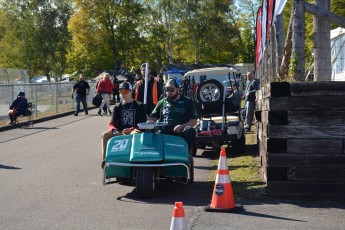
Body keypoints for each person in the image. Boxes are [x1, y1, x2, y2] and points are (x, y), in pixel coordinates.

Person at [100, 82, 147, 168]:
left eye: (126, 92)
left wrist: (131, 129)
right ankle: (105, 160)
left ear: (131, 92)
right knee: (105, 135)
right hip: (120, 132)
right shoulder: (117, 107)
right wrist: (114, 130)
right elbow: (112, 123)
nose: (123, 94)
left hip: (134, 131)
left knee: (136, 134)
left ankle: (136, 160)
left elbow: (142, 123)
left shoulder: (139, 106)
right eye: (121, 92)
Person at [148, 79, 197, 153]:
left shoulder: (187, 102)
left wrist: (182, 126)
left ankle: (185, 154)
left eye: (171, 90)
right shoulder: (162, 102)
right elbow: (153, 116)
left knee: (190, 131)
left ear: (178, 89)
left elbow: (194, 120)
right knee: (157, 130)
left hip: (180, 132)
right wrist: (150, 121)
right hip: (164, 130)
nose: (169, 92)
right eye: (167, 90)